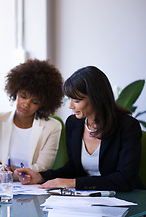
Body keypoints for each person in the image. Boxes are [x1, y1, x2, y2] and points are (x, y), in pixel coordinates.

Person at [15, 66, 143, 191]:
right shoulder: (73, 124)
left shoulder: (127, 126)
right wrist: (41, 176)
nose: (70, 106)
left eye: (76, 100)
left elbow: (125, 179)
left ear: (96, 98)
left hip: (123, 200)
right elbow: (73, 168)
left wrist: (73, 183)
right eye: (69, 99)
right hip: (86, 199)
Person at [0, 59, 64, 181]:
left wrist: (14, 174)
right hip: (4, 187)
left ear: (43, 104)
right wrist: (0, 170)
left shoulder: (53, 126)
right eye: (23, 96)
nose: (26, 104)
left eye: (35, 101)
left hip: (33, 187)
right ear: (15, 92)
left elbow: (43, 167)